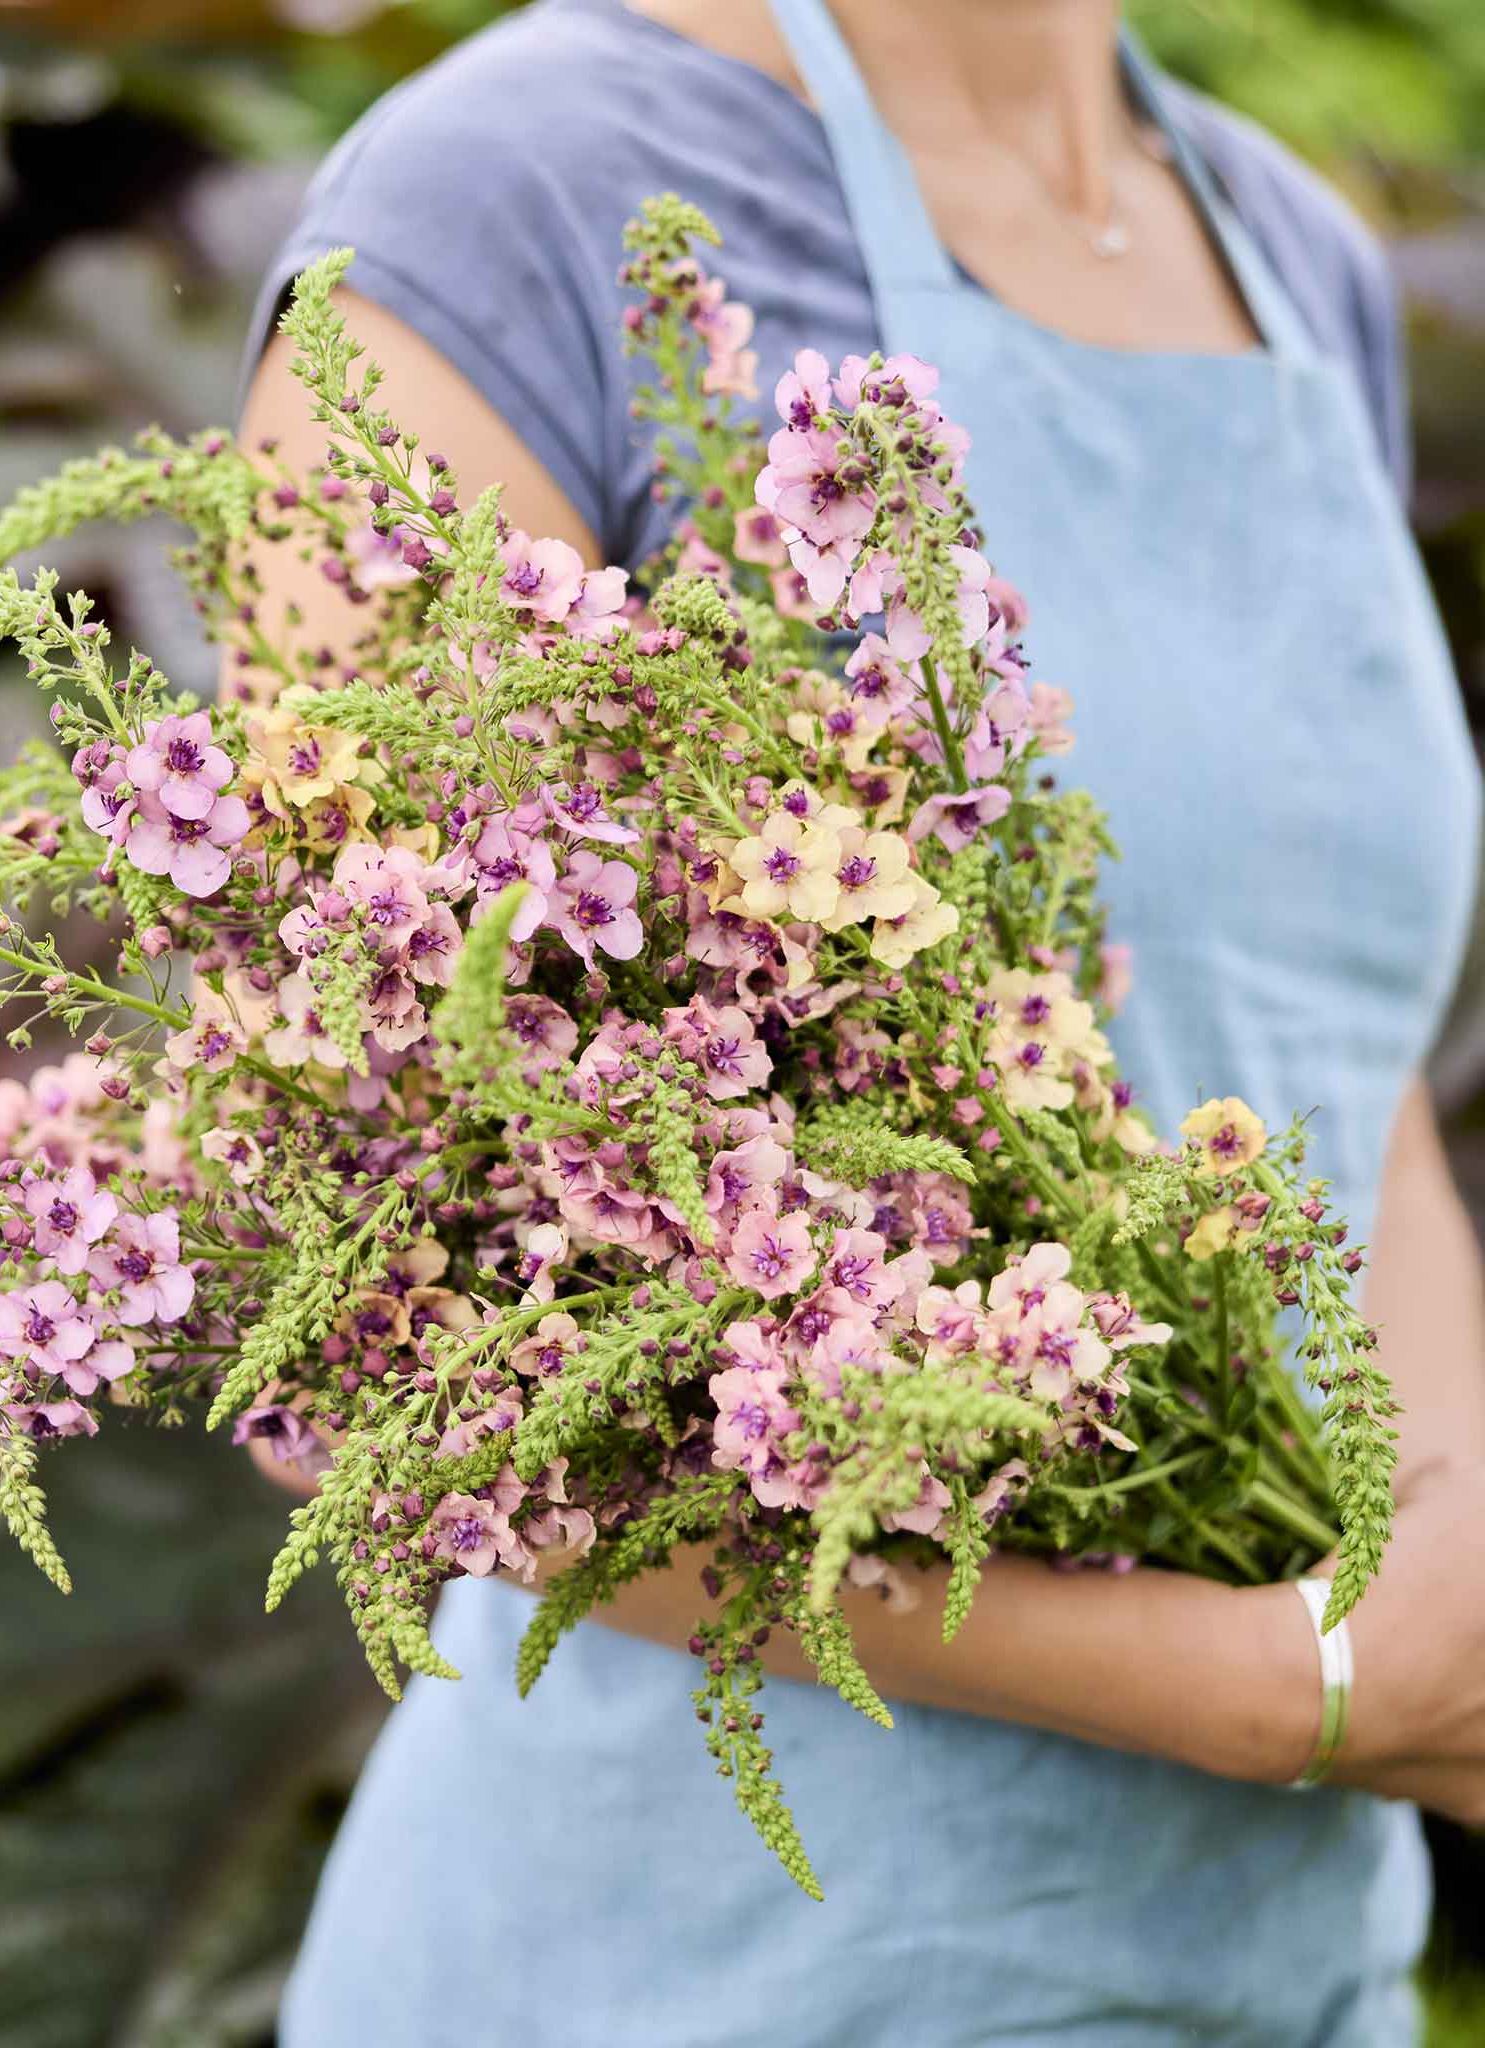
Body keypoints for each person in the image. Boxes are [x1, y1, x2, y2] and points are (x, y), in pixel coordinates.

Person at [233, 3, 1485, 2040]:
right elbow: (354, 1329)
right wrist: (1270, 1686)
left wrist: (1445, 1599)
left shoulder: (1285, 250)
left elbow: (1345, 1087)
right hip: (713, 1969)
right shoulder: (515, 201)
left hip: (1272, 1971)